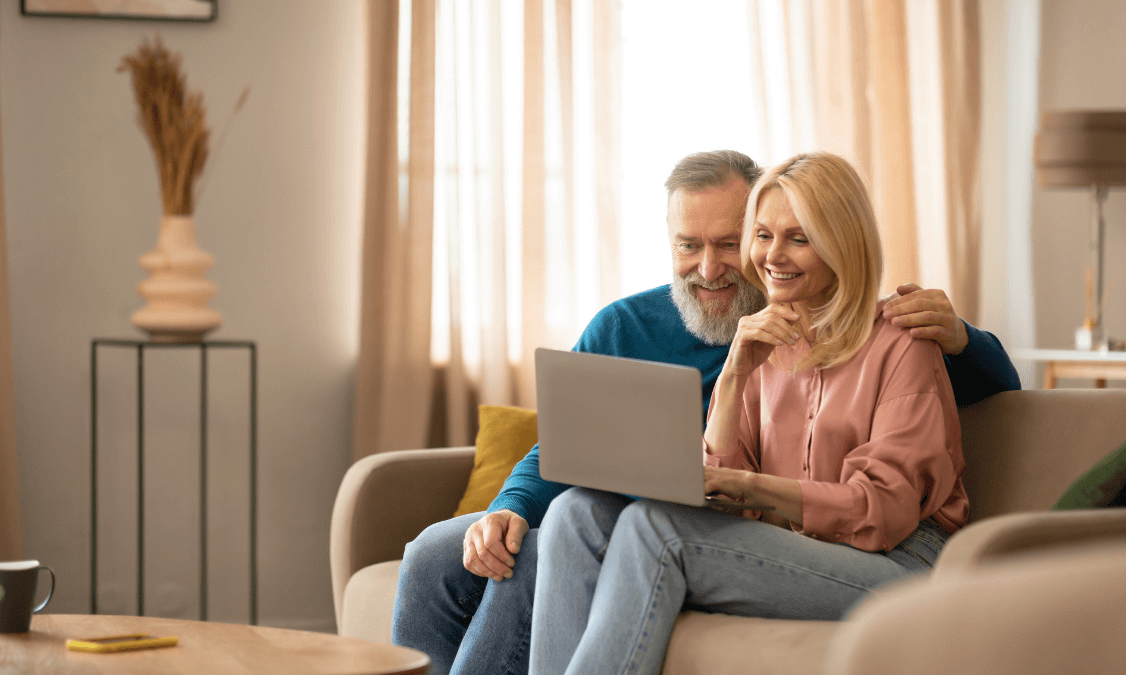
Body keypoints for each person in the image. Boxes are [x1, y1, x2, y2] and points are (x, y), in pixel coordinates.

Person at [392, 150, 1020, 675]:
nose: (725, 263)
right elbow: (642, 458)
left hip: (897, 555)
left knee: (649, 528)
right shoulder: (727, 339)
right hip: (761, 533)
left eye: (794, 238)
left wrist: (965, 337)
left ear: (839, 244)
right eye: (693, 245)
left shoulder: (899, 336)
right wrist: (741, 366)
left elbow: (888, 499)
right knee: (567, 514)